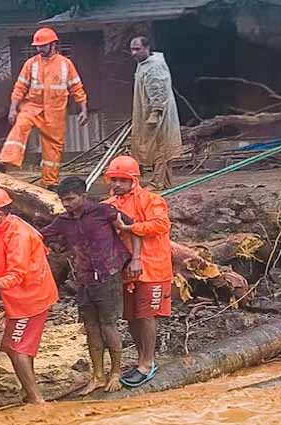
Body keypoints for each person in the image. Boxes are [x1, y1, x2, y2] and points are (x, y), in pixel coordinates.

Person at [41, 176, 142, 395]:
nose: (66, 204)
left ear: (83, 195)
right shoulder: (63, 221)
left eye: (71, 199)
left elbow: (132, 228)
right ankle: (97, 375)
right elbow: (39, 235)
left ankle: (115, 373)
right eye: (63, 200)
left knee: (108, 325)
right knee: (90, 328)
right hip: (85, 278)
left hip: (109, 274)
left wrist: (136, 259)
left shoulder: (103, 211)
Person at [0, 187, 58, 404]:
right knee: (16, 347)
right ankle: (30, 391)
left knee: (15, 347)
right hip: (17, 298)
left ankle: (37, 400)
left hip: (32, 298)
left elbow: (17, 274)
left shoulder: (19, 234)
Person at [102, 156, 173, 388]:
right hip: (125, 269)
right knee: (131, 315)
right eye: (114, 180)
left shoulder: (152, 200)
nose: (118, 184)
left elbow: (160, 226)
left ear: (134, 179)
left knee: (146, 315)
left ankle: (148, 362)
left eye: (123, 180)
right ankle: (141, 359)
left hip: (153, 267)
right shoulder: (109, 204)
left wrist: (131, 227)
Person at [0, 28, 88, 191]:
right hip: (32, 107)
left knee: (53, 148)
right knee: (20, 127)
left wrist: (83, 110)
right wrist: (13, 109)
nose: (39, 49)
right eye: (38, 46)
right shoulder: (31, 64)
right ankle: (5, 163)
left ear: (53, 44)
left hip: (55, 112)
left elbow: (77, 88)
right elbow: (20, 87)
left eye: (43, 46)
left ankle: (50, 182)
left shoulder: (66, 65)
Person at [129, 36, 182, 191]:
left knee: (160, 146)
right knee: (156, 145)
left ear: (147, 48)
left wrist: (155, 112)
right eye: (132, 49)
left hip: (158, 113)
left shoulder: (154, 66)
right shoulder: (143, 64)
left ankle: (157, 182)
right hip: (145, 110)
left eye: (137, 49)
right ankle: (166, 181)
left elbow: (158, 90)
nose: (133, 53)